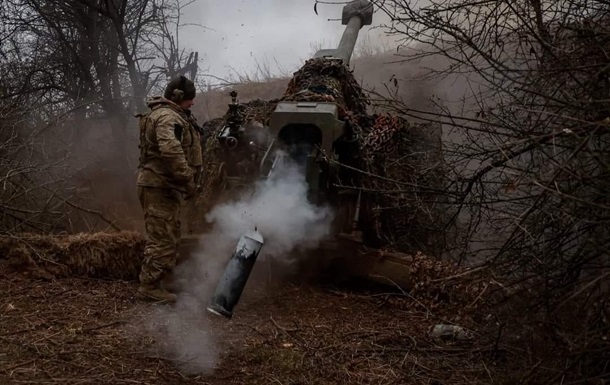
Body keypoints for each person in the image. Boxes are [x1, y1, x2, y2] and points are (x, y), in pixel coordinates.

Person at [136, 75, 203, 303]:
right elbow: (171, 151)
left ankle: (161, 280)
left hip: (164, 186)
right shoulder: (166, 117)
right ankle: (149, 287)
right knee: (161, 239)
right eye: (190, 99)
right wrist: (188, 180)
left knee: (170, 234)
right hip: (158, 185)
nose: (192, 103)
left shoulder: (171, 115)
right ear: (178, 97)